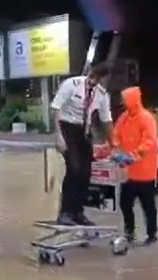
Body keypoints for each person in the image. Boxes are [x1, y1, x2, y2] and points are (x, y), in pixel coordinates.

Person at [51, 63, 115, 226]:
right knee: (74, 168)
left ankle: (78, 212)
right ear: (93, 75)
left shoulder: (102, 94)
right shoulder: (72, 85)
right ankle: (65, 212)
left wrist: (113, 144)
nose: (95, 83)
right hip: (66, 127)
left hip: (84, 131)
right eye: (94, 78)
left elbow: (106, 120)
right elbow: (56, 109)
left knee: (86, 172)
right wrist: (59, 137)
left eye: (101, 81)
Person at [114, 86, 158, 245]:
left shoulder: (147, 118)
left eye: (125, 100)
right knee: (124, 203)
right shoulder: (124, 118)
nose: (123, 103)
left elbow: (149, 141)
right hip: (129, 173)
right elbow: (115, 136)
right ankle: (129, 231)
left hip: (145, 172)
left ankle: (152, 234)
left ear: (132, 100)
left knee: (148, 206)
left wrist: (134, 155)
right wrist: (112, 149)